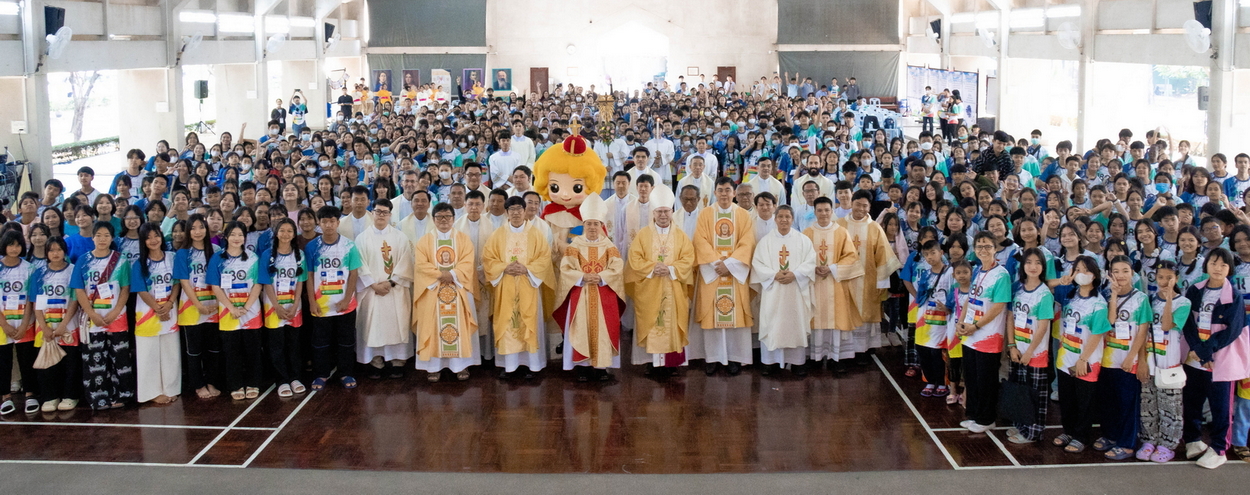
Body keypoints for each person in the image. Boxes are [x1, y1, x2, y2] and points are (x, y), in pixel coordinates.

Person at [1181, 248, 1250, 469]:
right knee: (1191, 401)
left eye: (1223, 264)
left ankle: (1220, 448)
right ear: (1206, 265)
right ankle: (1192, 440)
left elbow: (1232, 330)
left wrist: (1206, 351)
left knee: (1221, 407)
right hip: (1195, 358)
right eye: (1213, 263)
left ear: (1229, 268)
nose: (1217, 268)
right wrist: (1197, 350)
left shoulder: (1234, 296)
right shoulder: (1195, 290)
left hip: (1219, 358)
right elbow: (1187, 322)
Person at [553, 193, 626, 381]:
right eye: (589, 224)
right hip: (581, 294)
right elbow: (566, 268)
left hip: (604, 294)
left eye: (596, 224)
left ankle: (601, 367)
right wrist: (582, 276)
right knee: (580, 328)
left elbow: (617, 268)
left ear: (601, 226)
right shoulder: (574, 246)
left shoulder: (609, 246)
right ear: (583, 225)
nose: (592, 227)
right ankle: (582, 367)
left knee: (603, 329)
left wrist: (602, 276)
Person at [482, 196, 555, 379]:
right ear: (506, 212)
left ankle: (532, 366)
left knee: (529, 323)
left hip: (528, 285)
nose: (515, 213)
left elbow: (544, 258)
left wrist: (527, 269)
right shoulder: (497, 235)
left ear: (525, 211)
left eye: (519, 209)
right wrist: (504, 267)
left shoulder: (536, 234)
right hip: (506, 286)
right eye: (511, 209)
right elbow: (489, 259)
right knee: (507, 324)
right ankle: (510, 366)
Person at [626, 185, 694, 376]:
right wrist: (652, 267)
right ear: (653, 213)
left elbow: (688, 258)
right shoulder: (643, 234)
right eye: (659, 211)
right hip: (650, 288)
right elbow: (635, 258)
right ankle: (650, 362)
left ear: (672, 212)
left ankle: (671, 364)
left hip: (673, 288)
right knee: (651, 322)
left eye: (666, 211)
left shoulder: (681, 235)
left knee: (671, 323)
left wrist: (671, 269)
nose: (663, 215)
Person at [693, 177, 756, 376]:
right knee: (712, 318)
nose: (724, 194)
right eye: (720, 190)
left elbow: (748, 242)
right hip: (712, 272)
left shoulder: (743, 215)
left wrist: (729, 265)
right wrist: (715, 264)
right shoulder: (705, 214)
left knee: (735, 318)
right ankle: (713, 358)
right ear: (715, 192)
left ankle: (735, 358)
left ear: (734, 193)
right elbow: (700, 241)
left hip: (734, 273)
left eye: (728, 190)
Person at [412, 202, 480, 382]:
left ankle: (460, 366)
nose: (444, 220)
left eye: (447, 216)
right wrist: (441, 275)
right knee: (432, 326)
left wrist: (452, 274)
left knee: (460, 327)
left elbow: (467, 261)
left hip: (458, 289)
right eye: (439, 217)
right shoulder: (425, 241)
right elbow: (421, 264)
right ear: (433, 219)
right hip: (433, 291)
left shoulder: (463, 239)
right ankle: (432, 367)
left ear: (453, 218)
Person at [71, 221, 134, 410]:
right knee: (94, 359)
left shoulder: (121, 260)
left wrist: (115, 312)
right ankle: (98, 397)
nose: (102, 239)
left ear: (112, 238)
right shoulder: (83, 260)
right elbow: (79, 290)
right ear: (93, 238)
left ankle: (122, 394)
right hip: (92, 318)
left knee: (120, 357)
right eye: (98, 235)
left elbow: (125, 289)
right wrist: (91, 314)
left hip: (117, 316)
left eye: (106, 235)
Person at [836, 190, 903, 364]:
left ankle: (862, 351)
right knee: (846, 314)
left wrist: (882, 283)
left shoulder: (874, 228)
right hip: (845, 280)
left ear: (869, 207)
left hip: (868, 280)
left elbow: (883, 256)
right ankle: (844, 353)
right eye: (857, 204)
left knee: (865, 315)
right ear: (852, 203)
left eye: (865, 205)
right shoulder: (839, 225)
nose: (860, 208)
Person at [1053, 255, 1111, 454]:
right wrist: (1064, 280)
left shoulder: (1099, 303)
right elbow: (1046, 286)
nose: (1081, 274)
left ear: (1095, 275)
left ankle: (1081, 436)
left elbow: (1097, 333)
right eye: (1077, 269)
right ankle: (1068, 430)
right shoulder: (1069, 295)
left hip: (1087, 359)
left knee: (1084, 400)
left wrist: (1083, 359)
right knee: (1067, 398)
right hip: (1065, 356)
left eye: (1085, 270)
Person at [1098, 255, 1153, 459]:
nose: (1120, 276)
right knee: (1108, 401)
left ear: (1133, 274)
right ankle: (1110, 436)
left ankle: (1127, 443)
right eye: (1116, 272)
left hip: (1127, 360)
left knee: (1127, 403)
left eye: (1125, 271)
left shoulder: (1141, 298)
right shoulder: (1104, 295)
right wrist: (1113, 295)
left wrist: (1133, 357)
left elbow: (1142, 331)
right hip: (1106, 358)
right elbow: (1107, 323)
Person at [352, 198, 415, 379]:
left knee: (397, 323)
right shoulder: (362, 238)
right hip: (372, 291)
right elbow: (360, 265)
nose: (381, 215)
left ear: (390, 215)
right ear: (372, 213)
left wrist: (391, 282)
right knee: (373, 325)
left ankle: (398, 361)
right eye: (378, 211)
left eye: (385, 212)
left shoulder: (400, 237)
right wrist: (373, 285)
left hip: (394, 289)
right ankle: (376, 361)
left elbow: (406, 262)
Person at [751, 205, 816, 376]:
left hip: (796, 290)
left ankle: (797, 362)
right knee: (772, 324)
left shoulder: (803, 240)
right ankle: (769, 362)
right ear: (775, 218)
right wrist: (774, 275)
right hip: (773, 290)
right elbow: (757, 263)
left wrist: (795, 274)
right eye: (780, 216)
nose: (784, 220)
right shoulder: (765, 241)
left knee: (796, 324)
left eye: (787, 216)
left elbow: (810, 262)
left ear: (792, 219)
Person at [304, 206, 364, 390]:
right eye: (324, 221)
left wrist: (347, 299)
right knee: (320, 342)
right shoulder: (312, 247)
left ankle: (346, 372)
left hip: (344, 304)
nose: (328, 225)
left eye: (332, 221)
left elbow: (353, 274)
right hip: (321, 305)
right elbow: (310, 275)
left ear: (338, 223)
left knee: (346, 341)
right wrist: (312, 302)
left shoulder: (349, 245)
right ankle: (321, 374)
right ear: (318, 224)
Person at [1138, 260, 1189, 463]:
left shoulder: (1183, 303)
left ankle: (1168, 444)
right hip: (1150, 360)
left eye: (1169, 277)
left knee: (1171, 408)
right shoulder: (1149, 300)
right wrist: (1141, 360)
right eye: (1160, 277)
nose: (1164, 281)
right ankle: (1149, 440)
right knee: (1148, 405)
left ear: (1177, 279)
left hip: (1170, 362)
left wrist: (1168, 300)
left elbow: (1167, 325)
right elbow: (1142, 333)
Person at [804, 196, 863, 372]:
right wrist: (812, 268)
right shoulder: (807, 233)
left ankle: (836, 358)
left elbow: (851, 256)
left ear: (832, 211)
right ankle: (814, 357)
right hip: (813, 283)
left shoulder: (841, 232)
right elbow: (800, 258)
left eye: (827, 210)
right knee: (815, 319)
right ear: (814, 212)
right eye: (820, 210)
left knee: (836, 318)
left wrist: (832, 268)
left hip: (835, 283)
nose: (823, 214)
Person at [207, 221, 263, 401]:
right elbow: (215, 286)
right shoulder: (218, 258)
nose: (237, 238)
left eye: (240, 234)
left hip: (251, 312)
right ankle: (235, 384)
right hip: (227, 312)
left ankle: (253, 382)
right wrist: (231, 308)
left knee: (252, 350)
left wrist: (246, 307)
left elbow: (258, 284)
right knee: (232, 352)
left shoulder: (253, 258)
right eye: (233, 234)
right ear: (226, 237)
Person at [131, 223, 181, 405]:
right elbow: (141, 289)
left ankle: (171, 388)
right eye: (148, 237)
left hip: (170, 309)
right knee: (148, 354)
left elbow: (177, 282)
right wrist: (157, 309)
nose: (153, 240)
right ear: (143, 241)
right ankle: (151, 392)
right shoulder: (139, 264)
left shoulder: (172, 258)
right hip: (147, 313)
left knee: (171, 352)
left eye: (156, 236)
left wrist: (168, 304)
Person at [31, 237, 82, 412]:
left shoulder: (73, 271)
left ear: (65, 251)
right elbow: (36, 302)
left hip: (68, 324)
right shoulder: (38, 273)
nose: (55, 253)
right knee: (47, 361)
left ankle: (70, 395)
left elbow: (75, 300)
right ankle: (50, 396)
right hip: (45, 326)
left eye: (59, 249)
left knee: (70, 362)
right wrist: (44, 327)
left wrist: (64, 324)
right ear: (46, 253)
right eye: (51, 250)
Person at [258, 218, 307, 397]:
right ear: (276, 232)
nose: (285, 234)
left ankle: (295, 377)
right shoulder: (267, 255)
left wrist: (295, 305)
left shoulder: (299, 254)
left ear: (294, 234)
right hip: (273, 306)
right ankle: (282, 379)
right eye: (282, 230)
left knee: (293, 344)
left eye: (289, 231)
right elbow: (266, 282)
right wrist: (276, 306)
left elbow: (300, 281)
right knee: (276, 345)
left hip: (294, 306)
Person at [0, 231, 35, 414]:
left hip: (25, 322)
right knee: (3, 360)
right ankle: (5, 396)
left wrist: (24, 323)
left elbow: (31, 299)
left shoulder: (29, 268)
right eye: (10, 244)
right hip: (2, 323)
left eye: (18, 245)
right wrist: (4, 324)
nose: (14, 248)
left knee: (26, 358)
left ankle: (30, 394)